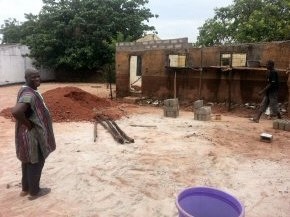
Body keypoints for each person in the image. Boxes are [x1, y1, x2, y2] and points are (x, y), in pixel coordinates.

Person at [12, 68, 56, 200]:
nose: (37, 79)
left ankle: (25, 189)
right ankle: (34, 192)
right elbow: (16, 112)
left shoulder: (24, 89)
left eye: (38, 76)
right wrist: (30, 125)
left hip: (24, 134)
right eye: (33, 77)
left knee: (27, 160)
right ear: (26, 78)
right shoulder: (29, 94)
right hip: (32, 136)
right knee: (36, 161)